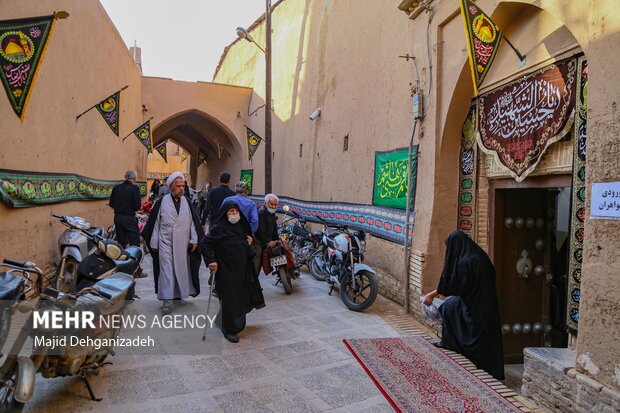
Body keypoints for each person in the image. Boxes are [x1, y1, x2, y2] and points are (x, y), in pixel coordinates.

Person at [423, 230, 504, 380]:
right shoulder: (479, 255)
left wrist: (431, 295)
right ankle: (451, 343)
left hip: (475, 306)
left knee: (447, 308)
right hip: (486, 303)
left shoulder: (467, 261)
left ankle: (452, 343)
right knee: (452, 307)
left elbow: (453, 287)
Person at [200, 198, 265, 343]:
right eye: (231, 211)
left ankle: (222, 320)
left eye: (236, 211)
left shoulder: (242, 226)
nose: (234, 214)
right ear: (225, 213)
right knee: (230, 297)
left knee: (240, 296)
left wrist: (248, 242)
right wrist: (211, 261)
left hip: (242, 269)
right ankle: (229, 329)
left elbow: (246, 242)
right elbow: (205, 245)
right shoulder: (218, 228)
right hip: (225, 269)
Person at [141, 172, 204, 315]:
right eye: (178, 186)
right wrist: (154, 242)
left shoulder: (187, 202)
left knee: (181, 269)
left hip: (182, 243)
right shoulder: (162, 202)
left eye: (183, 186)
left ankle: (180, 294)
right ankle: (167, 301)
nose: (181, 188)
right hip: (165, 242)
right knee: (167, 271)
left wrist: (194, 239)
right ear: (171, 187)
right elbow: (156, 223)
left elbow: (192, 223)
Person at [109, 170, 141, 247]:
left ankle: (121, 257)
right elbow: (137, 206)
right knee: (134, 241)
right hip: (129, 218)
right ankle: (133, 258)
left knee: (121, 242)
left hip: (118, 217)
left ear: (125, 177)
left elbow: (111, 204)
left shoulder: (116, 188)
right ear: (134, 178)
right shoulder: (135, 188)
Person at [254, 193, 280, 274]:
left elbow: (274, 228)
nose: (274, 206)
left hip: (266, 241)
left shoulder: (271, 213)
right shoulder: (261, 212)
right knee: (256, 265)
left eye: (275, 205)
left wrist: (277, 240)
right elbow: (261, 230)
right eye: (272, 204)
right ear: (265, 203)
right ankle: (252, 285)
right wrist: (267, 242)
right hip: (258, 242)